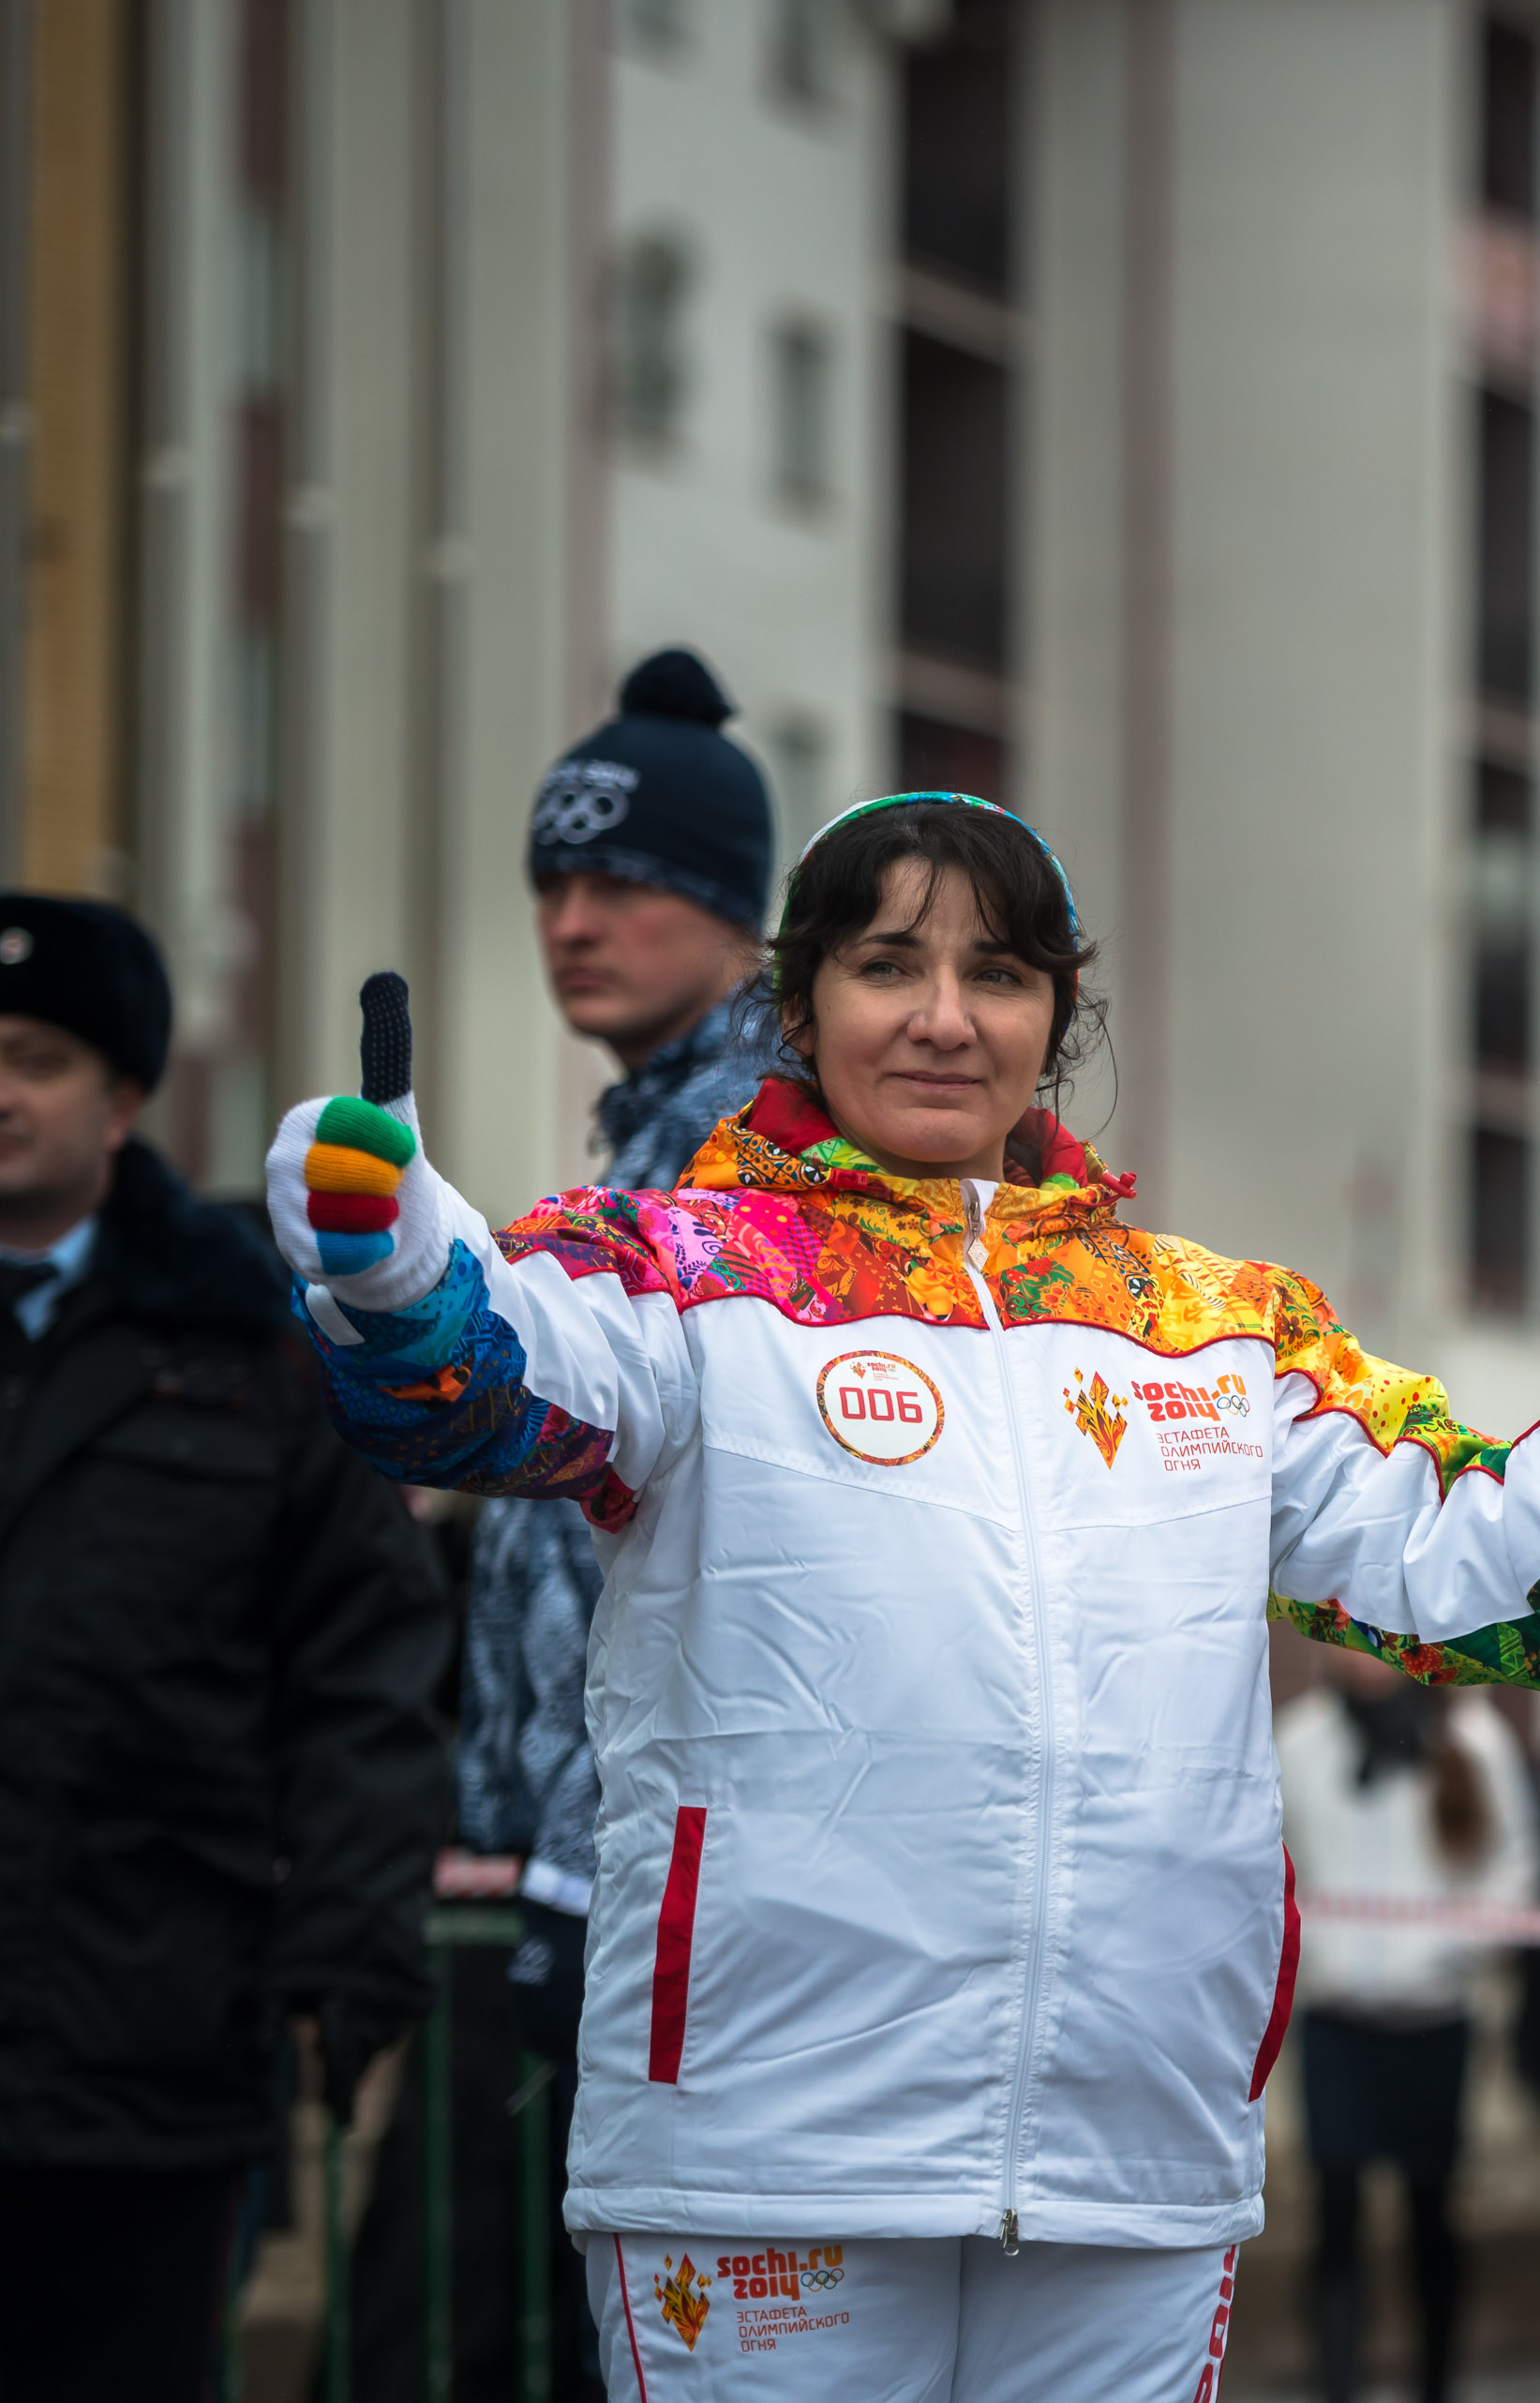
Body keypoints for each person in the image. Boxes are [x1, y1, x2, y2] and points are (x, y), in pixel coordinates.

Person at [263, 793, 1540, 2402]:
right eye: (891, 965)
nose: (947, 1017)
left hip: (1130, 2160)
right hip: (768, 2155)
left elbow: (1471, 1568)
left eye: (1004, 973)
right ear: (802, 998)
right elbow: (487, 1384)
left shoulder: (1213, 1327)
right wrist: (392, 1260)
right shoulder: (679, 1271)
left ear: (1057, 1014)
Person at [0, 894, 451, 2402]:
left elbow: (367, 1661)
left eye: (39, 1055)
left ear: (124, 1096)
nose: (2, 1089)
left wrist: (345, 1936)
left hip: (150, 2048)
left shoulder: (248, 1350)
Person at [465, 645, 776, 2382]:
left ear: (735, 910)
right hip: (585, 1883)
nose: (572, 919)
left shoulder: (755, 1164)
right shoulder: (639, 1148)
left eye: (623, 881)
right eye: (551, 881)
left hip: (665, 1912)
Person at [1276, 1649, 1540, 2403]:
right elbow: (1272, 1864)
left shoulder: (1472, 1738)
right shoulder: (1299, 1740)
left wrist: (1446, 1952)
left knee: (1431, 2212)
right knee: (1334, 2212)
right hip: (1338, 2015)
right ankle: (1337, 2383)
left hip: (1433, 2017)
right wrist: (1318, 1955)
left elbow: (1517, 1867)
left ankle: (1435, 2382)